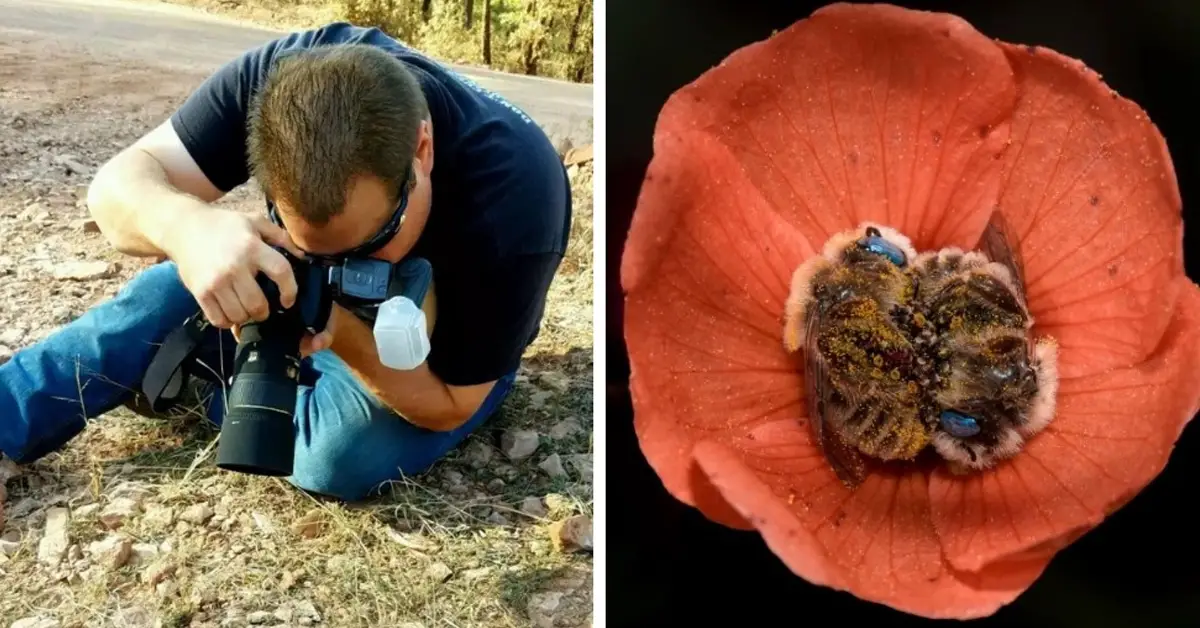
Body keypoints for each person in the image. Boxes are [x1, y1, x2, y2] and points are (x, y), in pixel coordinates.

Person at [0, 22, 571, 503]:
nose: (332, 268)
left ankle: (197, 373)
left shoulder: (515, 201)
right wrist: (188, 226)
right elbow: (115, 190)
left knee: (336, 461)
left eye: (371, 240)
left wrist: (339, 328)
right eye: (308, 248)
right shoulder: (280, 87)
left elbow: (451, 404)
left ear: (422, 153)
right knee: (164, 293)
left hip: (446, 345)